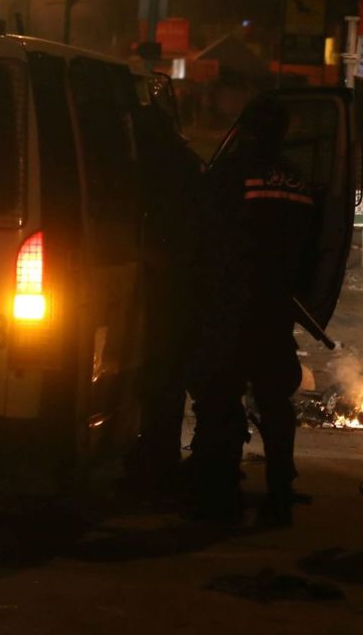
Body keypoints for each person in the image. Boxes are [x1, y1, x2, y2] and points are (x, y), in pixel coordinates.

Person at [186, 93, 315, 527]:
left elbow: (203, 237)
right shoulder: (297, 181)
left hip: (231, 307)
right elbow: (312, 250)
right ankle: (280, 493)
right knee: (275, 404)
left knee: (220, 398)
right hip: (276, 310)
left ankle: (218, 495)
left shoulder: (230, 173)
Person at [123, 105, 206, 496]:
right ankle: (161, 456)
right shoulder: (187, 166)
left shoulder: (157, 168)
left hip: (171, 287)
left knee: (161, 376)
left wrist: (148, 258)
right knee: (167, 379)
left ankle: (156, 460)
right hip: (182, 287)